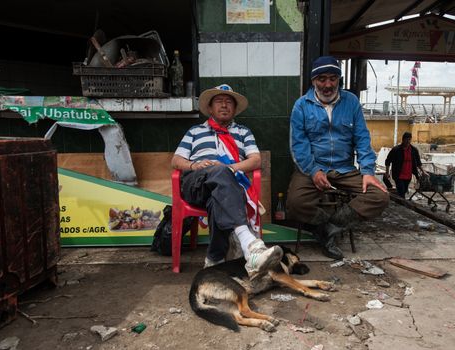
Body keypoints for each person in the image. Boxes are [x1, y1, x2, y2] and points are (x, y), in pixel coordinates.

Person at [171, 84, 283, 278]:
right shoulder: (195, 131)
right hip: (196, 184)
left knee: (219, 199)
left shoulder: (243, 132)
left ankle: (213, 261)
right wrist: (193, 166)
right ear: (210, 109)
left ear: (234, 109)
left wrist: (229, 169)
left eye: (228, 102)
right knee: (220, 178)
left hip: (227, 186)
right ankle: (250, 245)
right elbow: (176, 160)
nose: (224, 106)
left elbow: (256, 160)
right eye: (219, 102)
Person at [286, 56, 389, 260]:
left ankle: (330, 228)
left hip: (344, 168)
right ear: (314, 80)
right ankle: (326, 228)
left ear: (338, 79)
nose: (327, 84)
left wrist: (367, 171)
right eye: (322, 79)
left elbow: (362, 138)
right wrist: (314, 171)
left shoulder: (351, 102)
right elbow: (298, 144)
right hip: (313, 167)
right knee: (294, 203)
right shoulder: (301, 105)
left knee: (380, 196)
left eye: (333, 78)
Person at [384, 132, 425, 198]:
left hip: (408, 175)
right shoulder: (396, 150)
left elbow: (418, 163)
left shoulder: (414, 150)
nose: (408, 141)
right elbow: (388, 161)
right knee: (401, 191)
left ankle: (399, 201)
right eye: (406, 139)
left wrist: (423, 171)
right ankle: (402, 205)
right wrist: (387, 172)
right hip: (398, 175)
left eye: (409, 139)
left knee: (404, 190)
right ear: (403, 140)